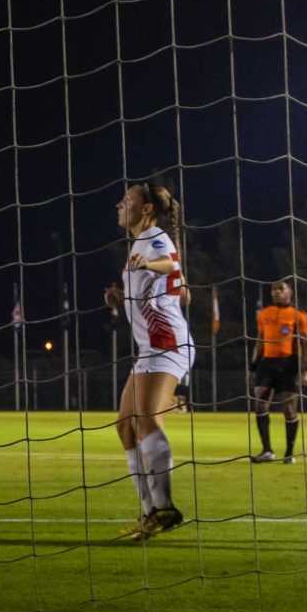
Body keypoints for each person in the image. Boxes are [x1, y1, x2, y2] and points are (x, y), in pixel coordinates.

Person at [106, 181, 191, 543]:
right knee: (125, 426)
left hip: (167, 344)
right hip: (150, 348)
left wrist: (152, 264)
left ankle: (164, 507)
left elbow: (170, 263)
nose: (119, 205)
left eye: (126, 201)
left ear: (146, 210)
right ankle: (148, 515)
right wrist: (121, 300)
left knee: (146, 421)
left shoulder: (154, 238)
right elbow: (175, 291)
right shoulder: (139, 244)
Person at [249, 279, 307, 463]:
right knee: (260, 403)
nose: (276, 292)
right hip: (267, 364)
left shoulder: (299, 316)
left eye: (280, 289)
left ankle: (289, 453)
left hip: (288, 365)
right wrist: (253, 365)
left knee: (289, 409)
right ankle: (267, 450)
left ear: (289, 292)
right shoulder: (263, 314)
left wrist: (306, 369)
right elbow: (260, 340)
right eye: (273, 289)